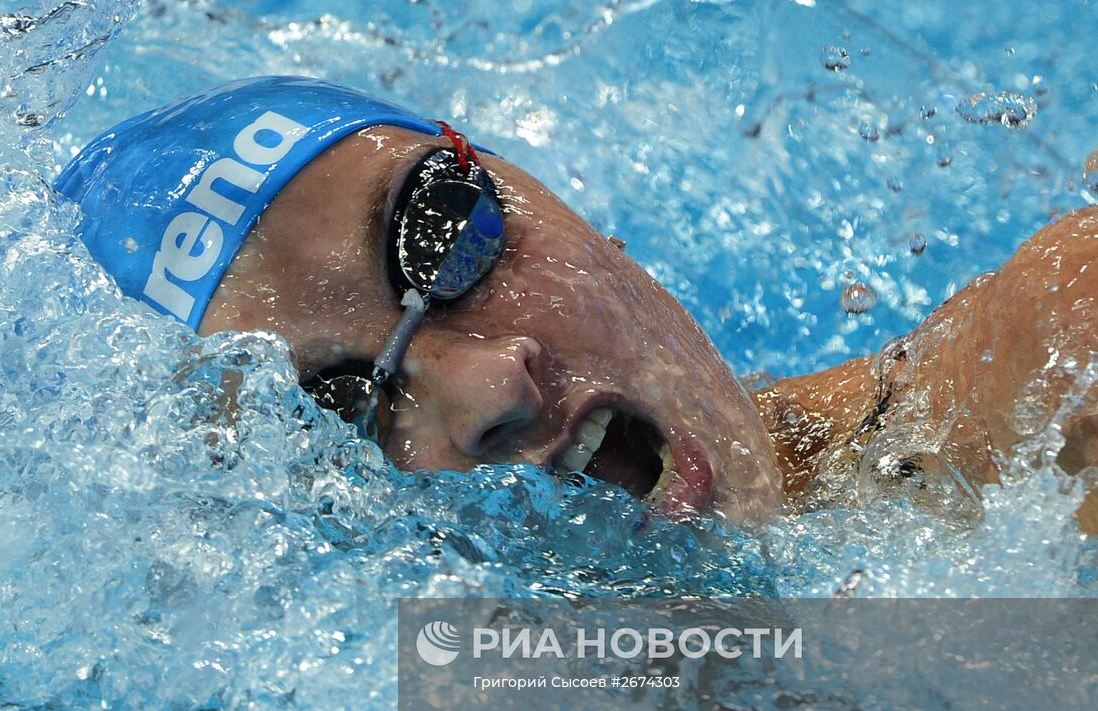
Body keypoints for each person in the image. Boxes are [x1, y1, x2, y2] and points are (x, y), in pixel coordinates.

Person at [54, 76, 1097, 529]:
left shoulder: (1055, 374)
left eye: (444, 232)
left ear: (561, 203)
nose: (485, 389)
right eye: (342, 401)